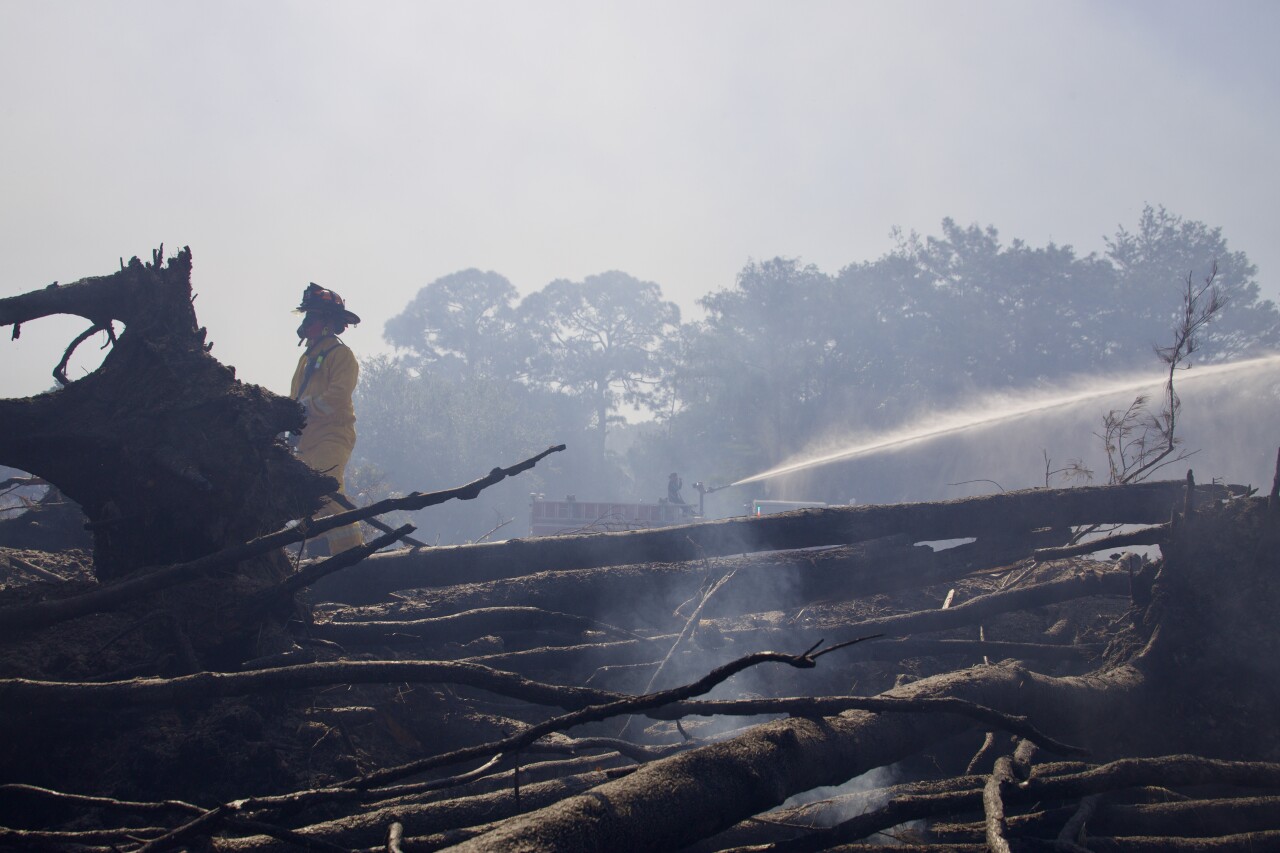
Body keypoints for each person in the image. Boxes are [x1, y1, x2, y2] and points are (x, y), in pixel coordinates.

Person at [290, 283, 364, 555]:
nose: (307, 322)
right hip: (307, 440)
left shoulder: (340, 355)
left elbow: (338, 396)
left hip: (333, 435)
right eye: (306, 316)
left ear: (328, 322)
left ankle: (352, 555)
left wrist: (307, 408)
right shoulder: (307, 358)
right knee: (307, 499)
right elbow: (295, 400)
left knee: (327, 492)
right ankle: (316, 554)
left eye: (313, 316)